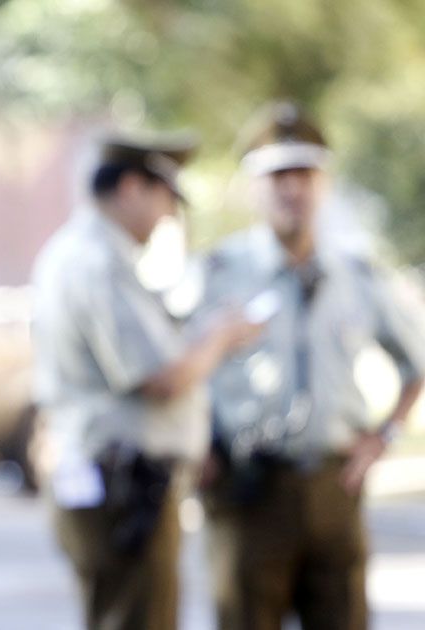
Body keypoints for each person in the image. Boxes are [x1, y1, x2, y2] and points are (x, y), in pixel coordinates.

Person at [200, 102, 425, 630]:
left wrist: (384, 436)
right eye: (278, 175)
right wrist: (199, 446)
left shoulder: (357, 272)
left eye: (304, 173)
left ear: (323, 182)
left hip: (334, 486)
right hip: (250, 487)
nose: (292, 189)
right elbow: (180, 372)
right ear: (255, 185)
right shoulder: (219, 273)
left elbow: (417, 363)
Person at [30, 133, 261, 630]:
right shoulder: (99, 260)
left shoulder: (76, 252)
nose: (168, 218)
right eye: (166, 200)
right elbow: (160, 378)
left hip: (108, 475)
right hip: (124, 482)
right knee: (139, 617)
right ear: (133, 187)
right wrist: (221, 338)